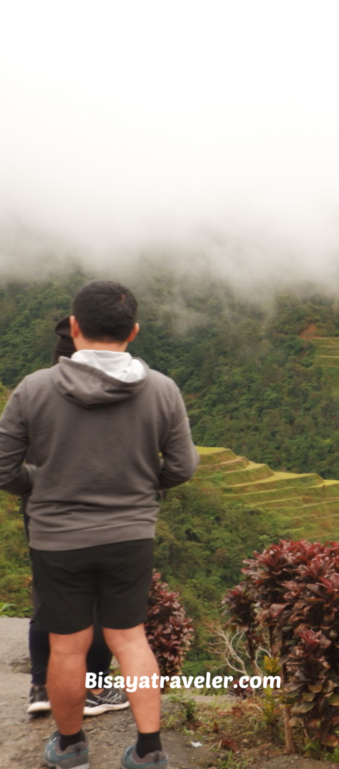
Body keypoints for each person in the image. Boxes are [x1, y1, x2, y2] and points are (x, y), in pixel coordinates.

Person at [0, 281, 199, 769]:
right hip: (130, 534)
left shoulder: (35, 388)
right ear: (133, 331)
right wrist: (135, 484)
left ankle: (71, 748)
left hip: (57, 538)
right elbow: (182, 467)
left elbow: (3, 468)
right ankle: (149, 751)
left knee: (67, 645)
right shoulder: (162, 390)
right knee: (130, 637)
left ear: (74, 327)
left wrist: (41, 483)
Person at [27, 316, 130, 718]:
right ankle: (93, 688)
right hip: (109, 511)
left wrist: (34, 486)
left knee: (49, 597)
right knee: (102, 604)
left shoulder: (40, 389)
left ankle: (41, 687)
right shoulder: (128, 389)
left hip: (44, 508)